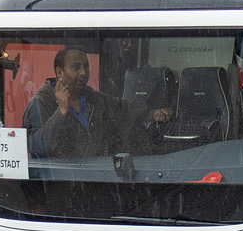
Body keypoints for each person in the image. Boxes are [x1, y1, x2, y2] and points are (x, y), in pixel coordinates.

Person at [23, 48, 172, 158]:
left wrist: (152, 114)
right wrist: (60, 113)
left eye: (86, 67)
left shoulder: (93, 97)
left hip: (97, 183)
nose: (83, 72)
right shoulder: (40, 103)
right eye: (76, 67)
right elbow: (37, 148)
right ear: (59, 72)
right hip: (62, 187)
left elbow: (124, 109)